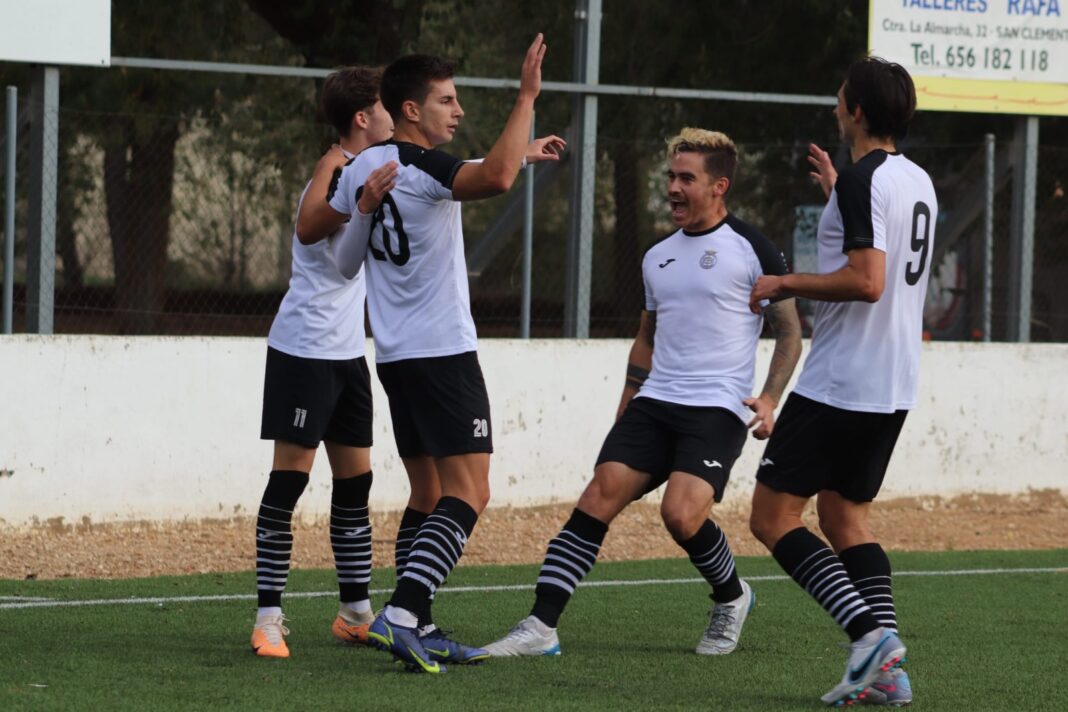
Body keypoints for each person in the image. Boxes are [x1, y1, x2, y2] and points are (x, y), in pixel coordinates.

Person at [297, 35, 565, 673]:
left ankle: (417, 617)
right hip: (444, 353)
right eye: (447, 99)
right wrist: (527, 97)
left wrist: (361, 211)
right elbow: (490, 176)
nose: (459, 109)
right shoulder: (419, 167)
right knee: (472, 492)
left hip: (396, 356)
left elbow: (340, 259)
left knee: (428, 491)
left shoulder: (365, 166)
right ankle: (404, 613)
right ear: (411, 110)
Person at [482, 128, 802, 659]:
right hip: (656, 401)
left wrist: (769, 398)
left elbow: (789, 332)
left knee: (680, 515)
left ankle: (731, 596)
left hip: (718, 407)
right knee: (597, 496)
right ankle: (540, 627)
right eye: (670, 177)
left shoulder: (754, 248)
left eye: (686, 179)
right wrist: (627, 402)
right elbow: (648, 336)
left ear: (719, 186)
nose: (673, 188)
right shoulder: (657, 255)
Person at [748, 57, 936, 707]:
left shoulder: (864, 182)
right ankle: (888, 671)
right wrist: (838, 192)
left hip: (841, 382)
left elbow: (867, 281)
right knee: (843, 517)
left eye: (840, 98)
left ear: (856, 109)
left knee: (771, 516)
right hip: (892, 383)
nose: (834, 105)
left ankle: (869, 638)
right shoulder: (915, 180)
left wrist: (783, 282)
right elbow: (880, 255)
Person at [249, 66, 394, 659]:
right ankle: (267, 618)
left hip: (346, 355)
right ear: (363, 117)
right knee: (289, 481)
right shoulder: (332, 166)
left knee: (355, 483)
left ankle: (355, 612)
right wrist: (357, 203)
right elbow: (310, 226)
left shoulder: (366, 167)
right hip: (304, 350)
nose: (395, 115)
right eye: (388, 106)